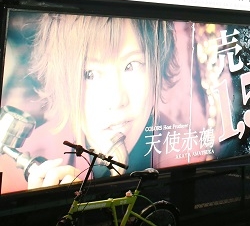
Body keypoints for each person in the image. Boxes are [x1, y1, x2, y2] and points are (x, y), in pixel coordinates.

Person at [21, 13, 179, 190]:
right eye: (90, 74)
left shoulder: (190, 151)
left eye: (132, 65)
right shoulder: (32, 157)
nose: (117, 100)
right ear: (62, 80)